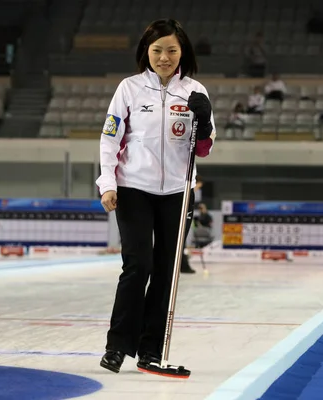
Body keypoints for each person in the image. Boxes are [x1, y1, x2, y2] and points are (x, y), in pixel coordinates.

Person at [95, 18, 216, 374]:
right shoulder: (129, 89)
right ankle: (117, 346)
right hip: (133, 189)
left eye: (172, 50)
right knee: (138, 266)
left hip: (177, 193)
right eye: (157, 50)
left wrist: (204, 122)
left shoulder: (195, 92)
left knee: (166, 273)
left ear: (183, 53)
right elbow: (109, 138)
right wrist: (108, 183)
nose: (164, 57)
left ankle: (150, 350)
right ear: (146, 52)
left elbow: (205, 149)